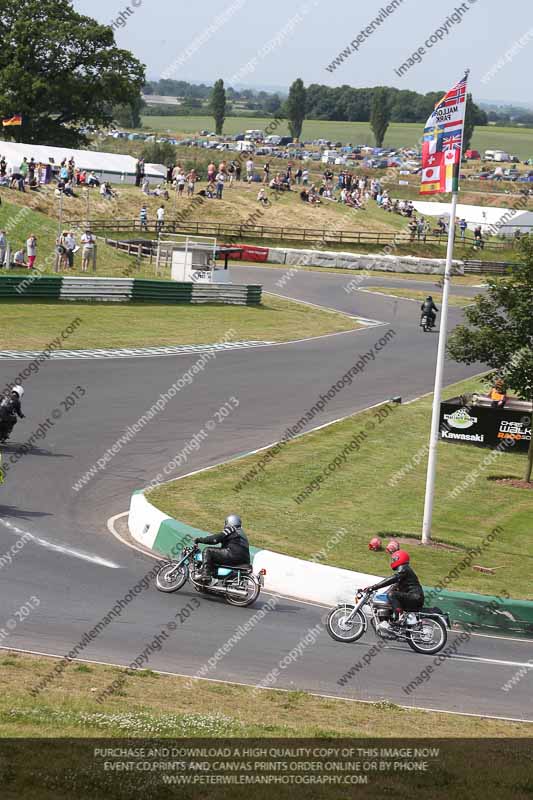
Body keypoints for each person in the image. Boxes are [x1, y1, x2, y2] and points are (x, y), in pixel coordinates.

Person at [365, 550, 424, 627]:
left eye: (394, 559)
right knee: (390, 595)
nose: (392, 561)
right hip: (413, 597)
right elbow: (393, 586)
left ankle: (399, 617)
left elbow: (393, 579)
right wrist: (380, 594)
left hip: (414, 596)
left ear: (400, 559)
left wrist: (374, 587)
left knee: (392, 595)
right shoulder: (403, 573)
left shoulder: (404, 569)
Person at [194, 514, 251, 584]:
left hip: (233, 554)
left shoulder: (232, 529)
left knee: (208, 551)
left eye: (226, 522)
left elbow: (215, 539)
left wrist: (200, 540)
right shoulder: (241, 533)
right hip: (244, 559)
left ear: (230, 522)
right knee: (216, 556)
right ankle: (213, 577)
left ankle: (205, 575)